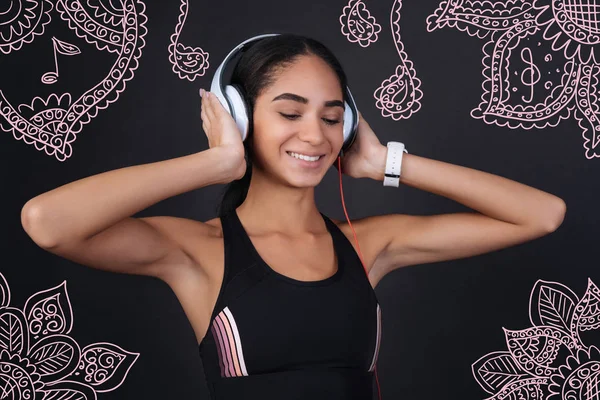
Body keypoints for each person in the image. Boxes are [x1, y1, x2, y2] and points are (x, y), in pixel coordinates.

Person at [20, 33, 566, 399]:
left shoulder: (368, 245)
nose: (315, 135)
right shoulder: (197, 251)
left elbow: (541, 214)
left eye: (332, 117)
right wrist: (215, 162)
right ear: (238, 115)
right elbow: (47, 220)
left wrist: (384, 162)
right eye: (288, 112)